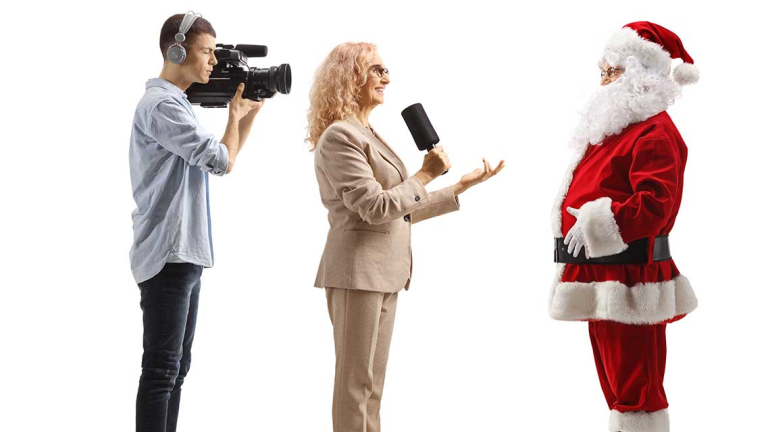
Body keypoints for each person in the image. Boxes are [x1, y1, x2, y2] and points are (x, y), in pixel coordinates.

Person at [307, 42, 504, 432]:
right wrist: (426, 174)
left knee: (372, 388)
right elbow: (374, 206)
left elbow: (400, 208)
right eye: (377, 69)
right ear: (350, 76)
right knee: (354, 386)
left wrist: (459, 187)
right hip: (357, 273)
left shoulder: (368, 132)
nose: (387, 77)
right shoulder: (340, 137)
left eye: (385, 70)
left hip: (386, 273)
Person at [548, 22, 700, 432]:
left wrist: (597, 222)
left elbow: (655, 205)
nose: (604, 82)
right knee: (618, 389)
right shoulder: (615, 131)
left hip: (632, 280)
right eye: (603, 72)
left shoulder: (654, 132)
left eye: (613, 72)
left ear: (642, 76)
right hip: (603, 276)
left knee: (637, 390)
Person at [128, 11, 263, 432]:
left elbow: (225, 160)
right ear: (176, 51)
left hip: (183, 252)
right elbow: (219, 160)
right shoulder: (162, 105)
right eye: (206, 52)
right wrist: (232, 118)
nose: (213, 62)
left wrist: (248, 114)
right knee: (162, 370)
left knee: (176, 368)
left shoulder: (177, 105)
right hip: (168, 253)